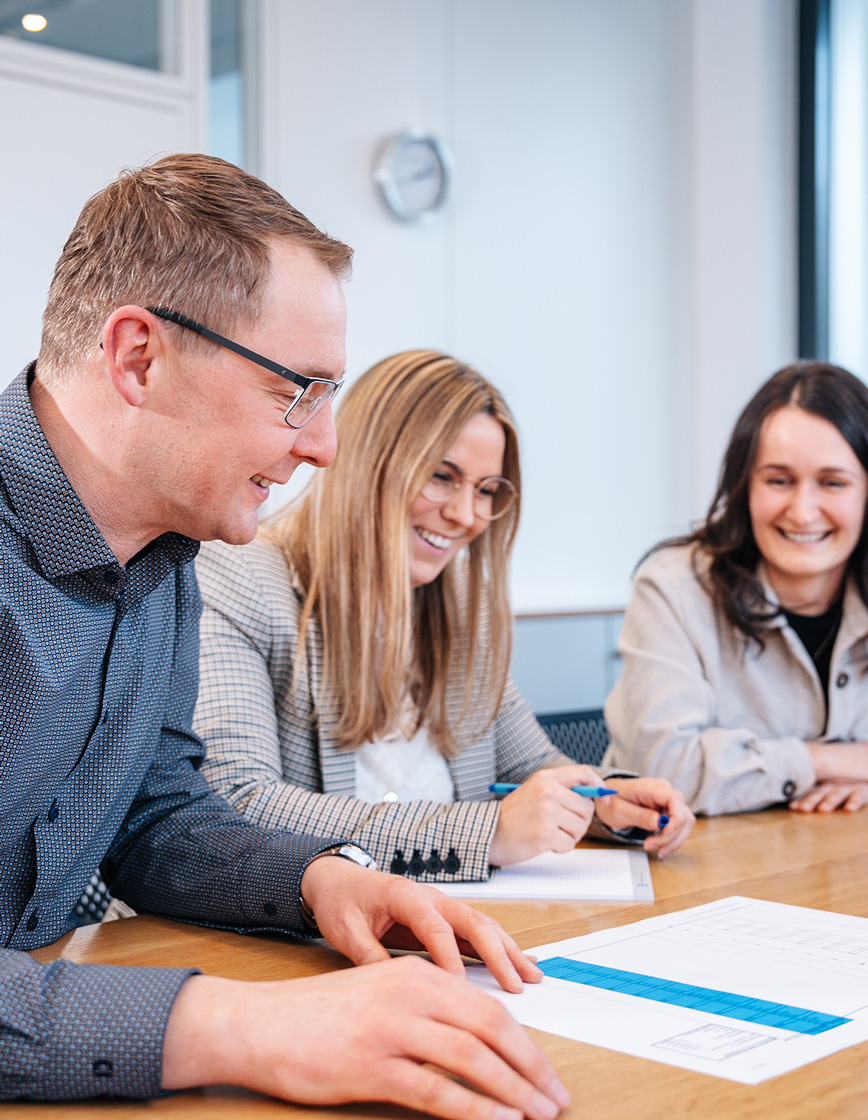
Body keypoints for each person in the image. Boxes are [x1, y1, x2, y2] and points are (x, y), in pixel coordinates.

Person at [0, 153, 571, 1120]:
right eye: (296, 390)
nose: (326, 445)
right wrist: (244, 1027)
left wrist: (317, 882)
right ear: (139, 356)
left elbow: (154, 819)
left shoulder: (166, 559)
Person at [194, 350, 693, 878]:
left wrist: (607, 798)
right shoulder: (238, 577)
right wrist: (488, 832)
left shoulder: (458, 601)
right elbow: (236, 805)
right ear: (368, 463)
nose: (466, 515)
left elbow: (530, 769)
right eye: (441, 476)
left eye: (485, 490)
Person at [603, 360, 868, 816]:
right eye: (778, 480)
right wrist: (831, 760)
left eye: (832, 483)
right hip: (696, 874)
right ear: (744, 487)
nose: (803, 512)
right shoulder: (674, 589)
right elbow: (665, 774)